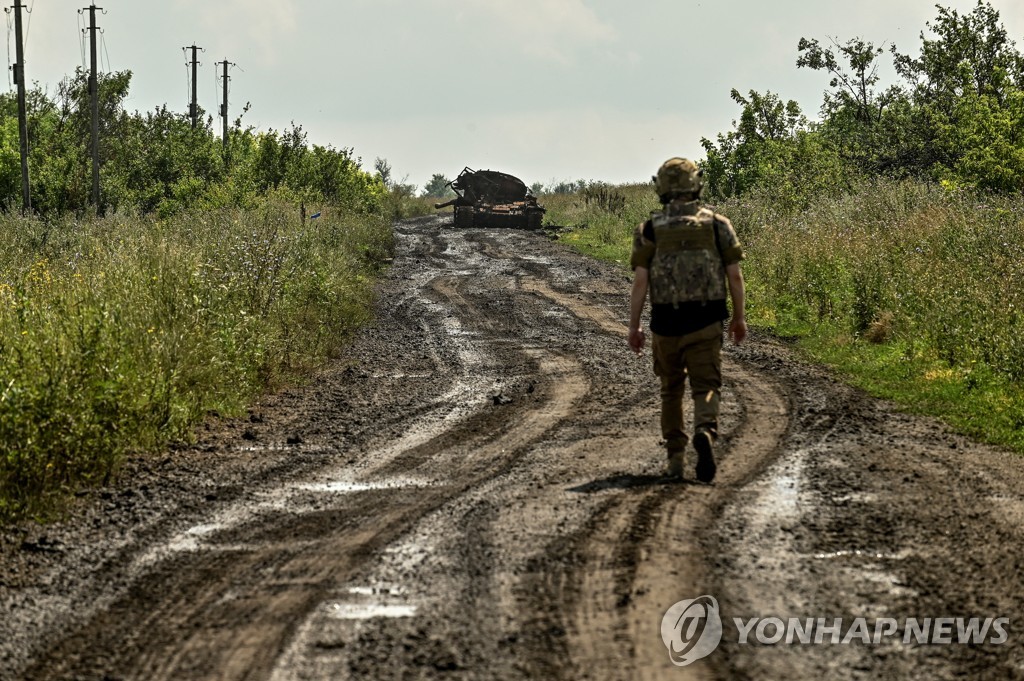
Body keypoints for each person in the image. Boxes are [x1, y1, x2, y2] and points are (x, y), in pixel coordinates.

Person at [627, 157, 747, 483]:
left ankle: (676, 459)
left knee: (671, 390)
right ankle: (705, 430)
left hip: (666, 322)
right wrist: (738, 317)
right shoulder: (717, 225)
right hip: (707, 320)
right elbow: (734, 276)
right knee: (706, 385)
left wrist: (634, 325)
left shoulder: (649, 229)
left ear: (661, 188)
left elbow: (640, 282)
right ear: (696, 184)